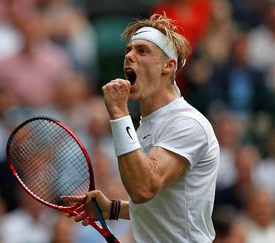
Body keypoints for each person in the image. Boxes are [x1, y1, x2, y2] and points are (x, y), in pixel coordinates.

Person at [65, 13, 220, 242]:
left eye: (142, 51)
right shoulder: (145, 126)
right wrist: (113, 209)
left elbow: (144, 188)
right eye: (128, 50)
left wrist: (118, 113)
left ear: (168, 66)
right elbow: (164, 206)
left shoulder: (187, 123)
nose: (129, 56)